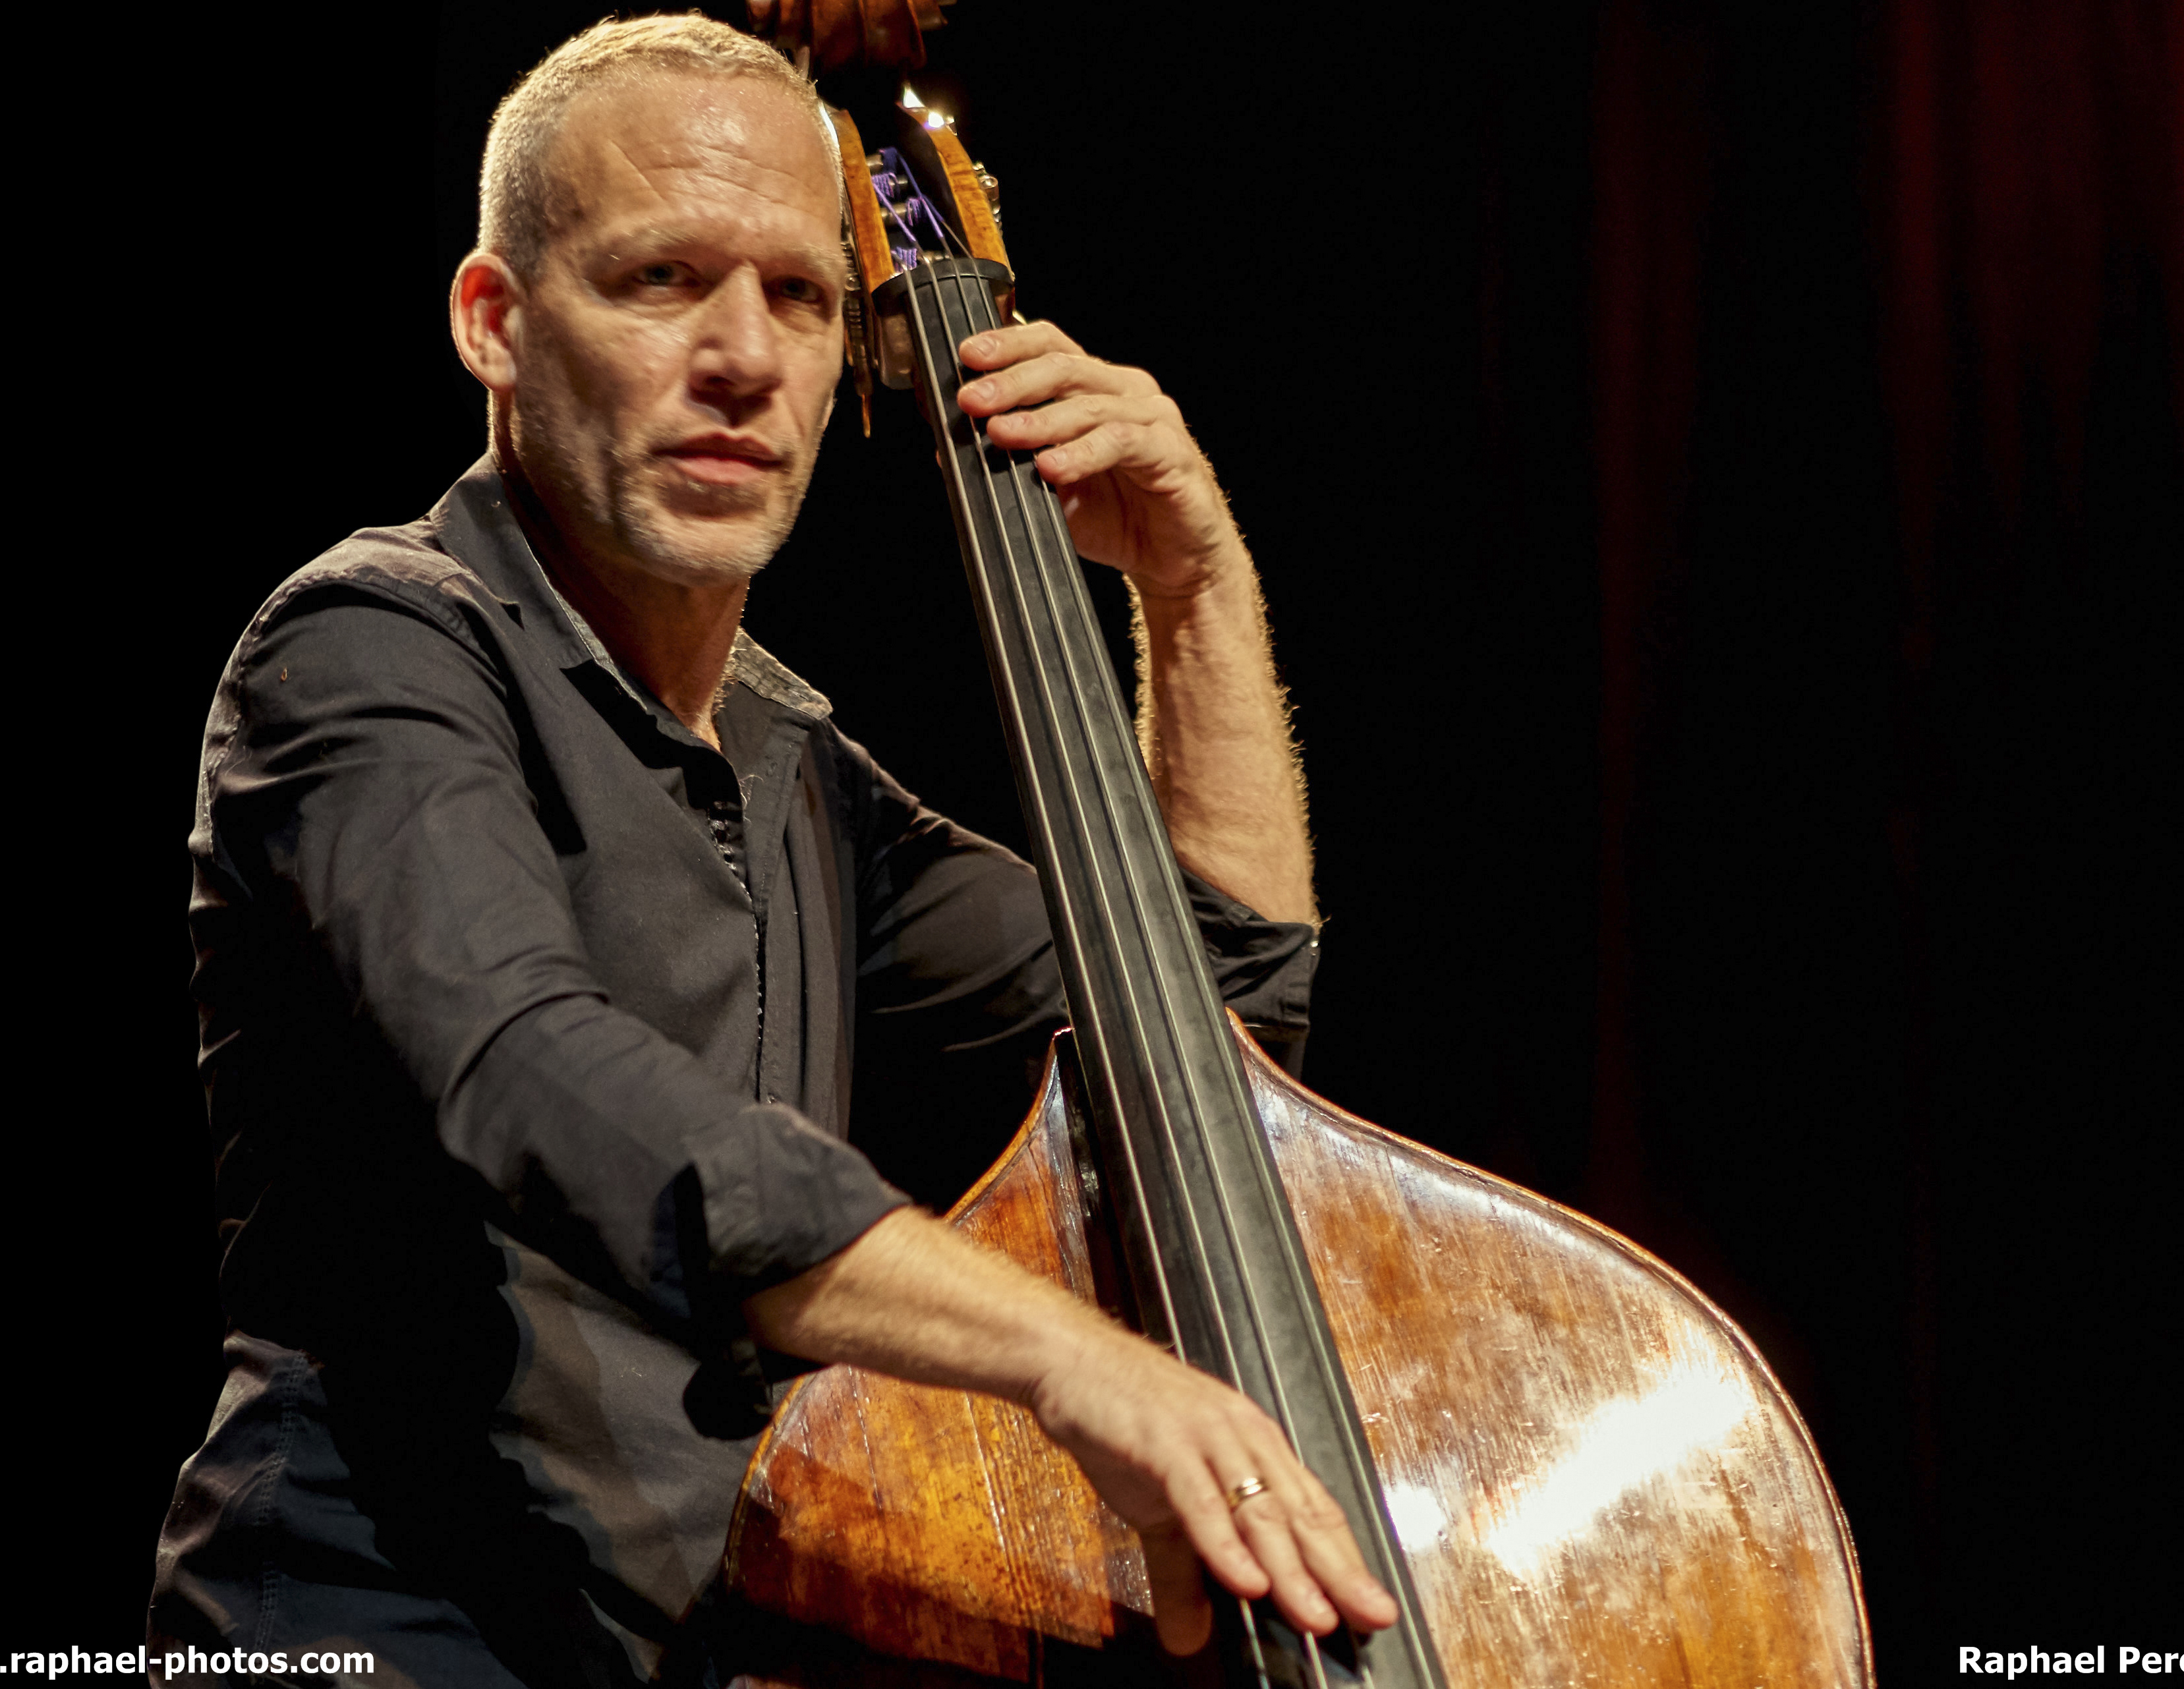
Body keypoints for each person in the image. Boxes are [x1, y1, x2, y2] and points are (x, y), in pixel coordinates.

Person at [149, 14, 1396, 1685]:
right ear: (495, 325)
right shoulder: (368, 657)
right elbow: (545, 1078)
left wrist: (1192, 582)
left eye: (801, 297)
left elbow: (1215, 1030)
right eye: (662, 281)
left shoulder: (796, 764)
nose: (743, 356)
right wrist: (1072, 1361)